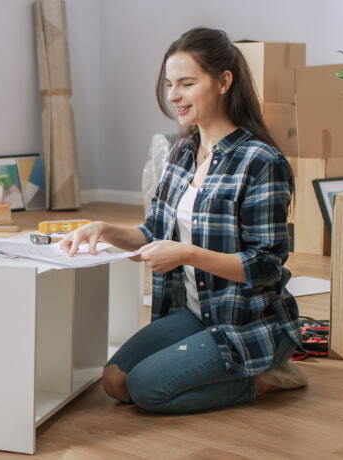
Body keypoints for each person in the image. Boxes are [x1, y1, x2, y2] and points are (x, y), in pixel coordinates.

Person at [60, 27, 307, 413]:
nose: (174, 95)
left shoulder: (260, 162)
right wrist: (103, 228)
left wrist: (187, 254)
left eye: (187, 83)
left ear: (224, 81)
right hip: (195, 312)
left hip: (246, 322)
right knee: (113, 382)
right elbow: (153, 234)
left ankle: (266, 377)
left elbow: (266, 265)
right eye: (170, 84)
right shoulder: (181, 154)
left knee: (147, 389)